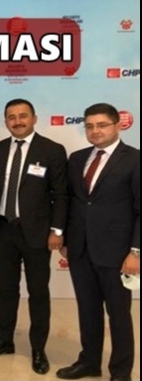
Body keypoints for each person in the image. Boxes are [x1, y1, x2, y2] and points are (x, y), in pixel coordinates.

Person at [0, 98, 68, 375]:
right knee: (6, 290)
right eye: (11, 117)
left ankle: (38, 348)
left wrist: (57, 231)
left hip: (37, 232)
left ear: (34, 118)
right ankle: (4, 340)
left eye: (22, 116)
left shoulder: (51, 150)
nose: (17, 121)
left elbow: (61, 194)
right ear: (6, 121)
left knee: (38, 292)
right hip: (2, 230)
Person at [56, 103, 139, 381]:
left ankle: (121, 372)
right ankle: (89, 362)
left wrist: (136, 252)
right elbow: (71, 202)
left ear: (118, 125)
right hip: (80, 250)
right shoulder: (78, 158)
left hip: (117, 253)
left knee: (119, 315)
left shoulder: (134, 159)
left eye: (102, 125)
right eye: (90, 126)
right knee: (88, 310)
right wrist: (66, 238)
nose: (95, 131)